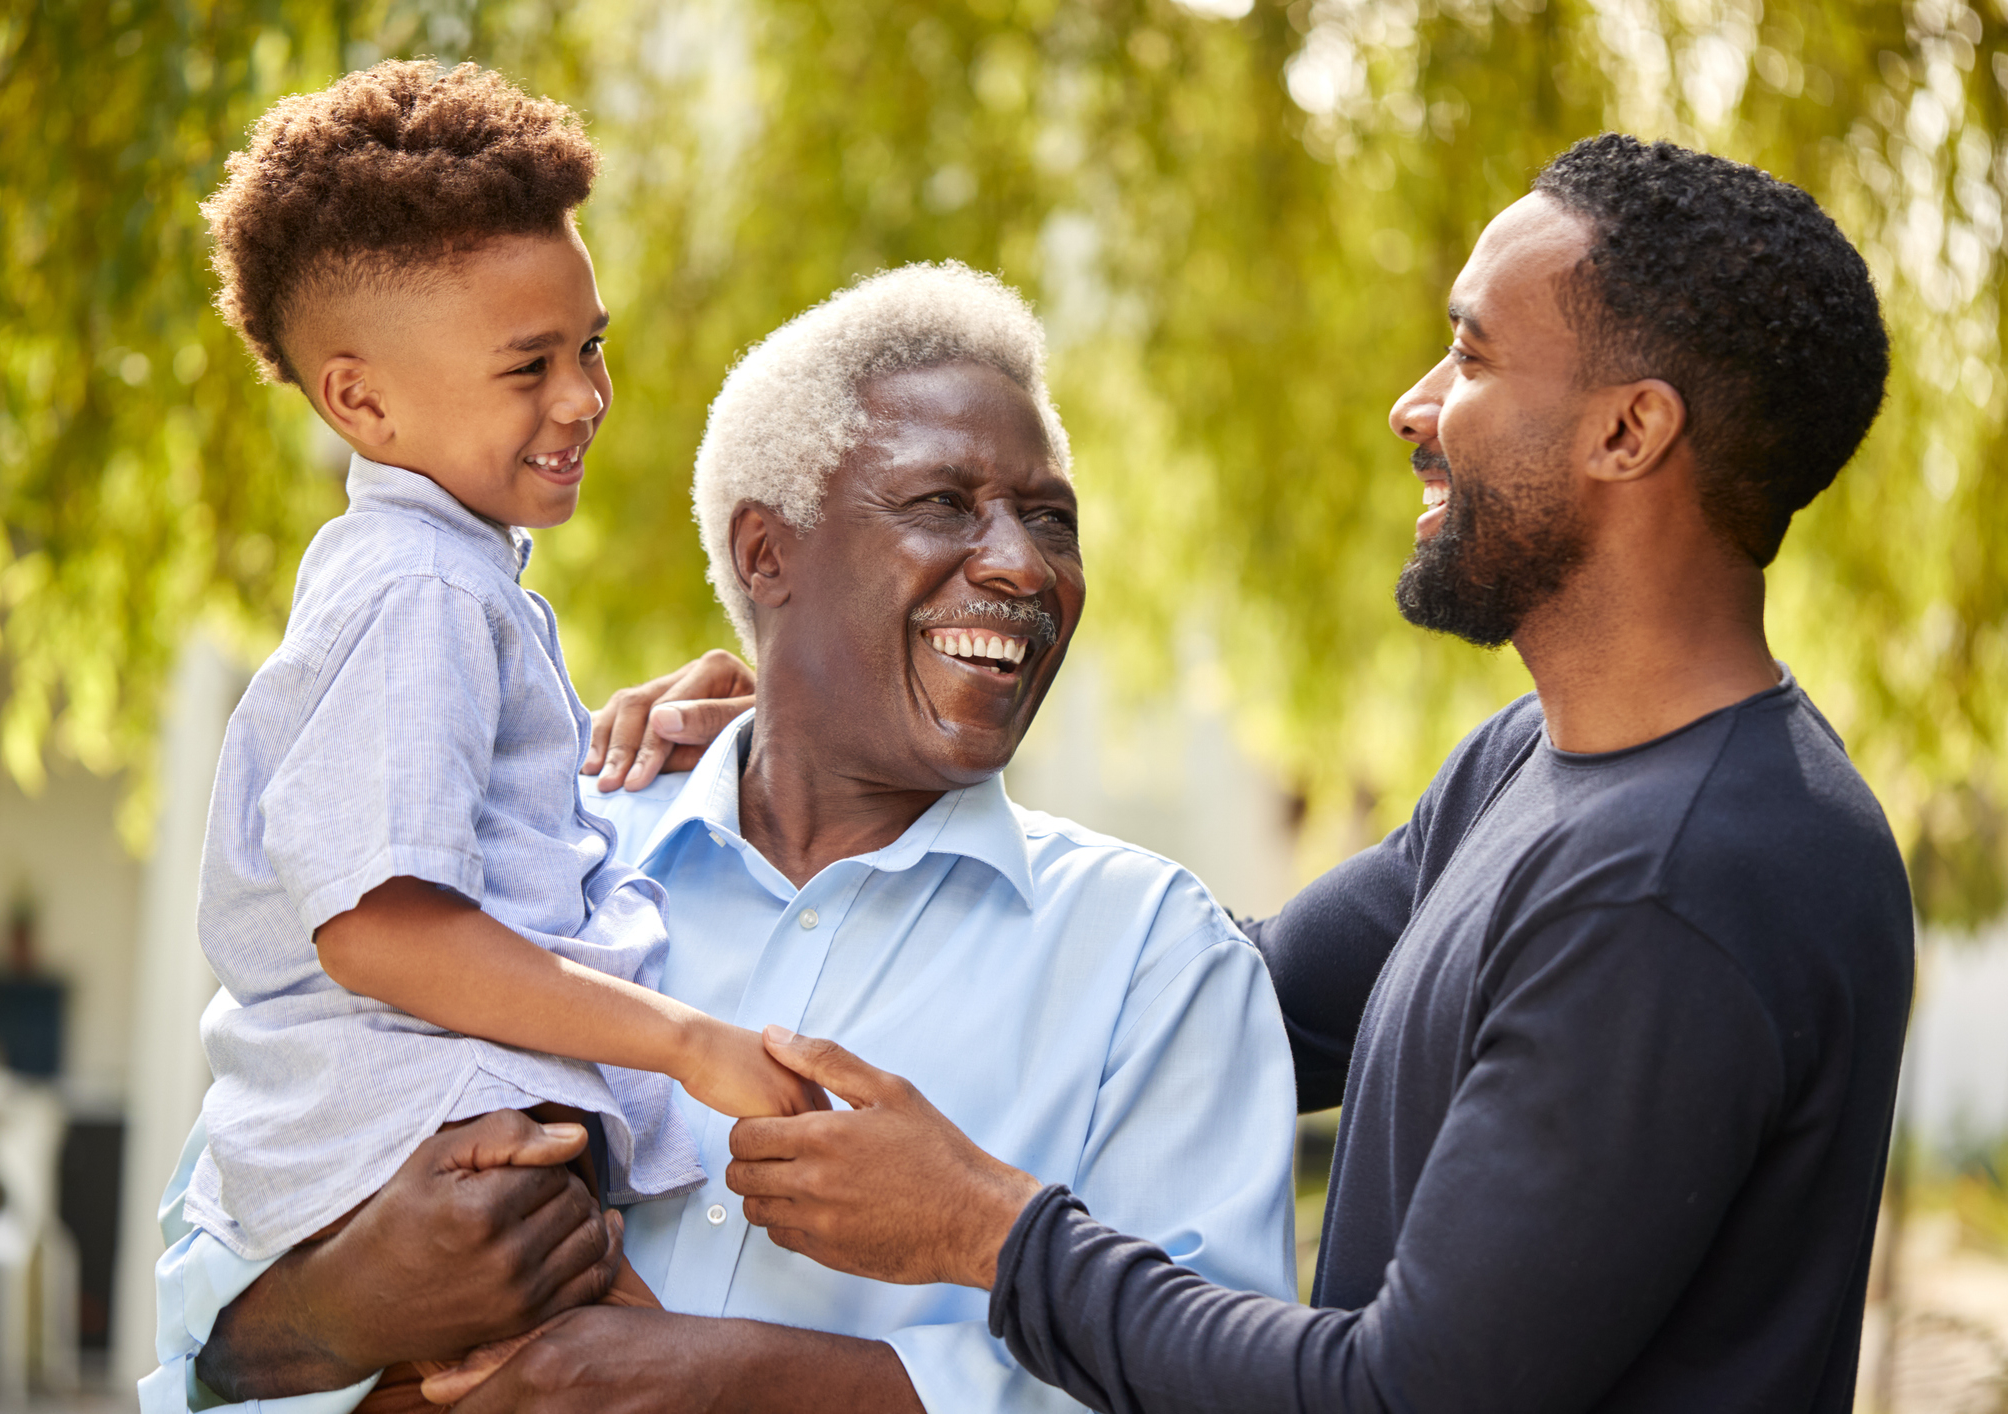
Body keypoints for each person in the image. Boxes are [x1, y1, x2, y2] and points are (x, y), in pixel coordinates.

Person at [707, 135, 1916, 1413]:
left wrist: (997, 1237)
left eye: (1474, 355)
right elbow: (1208, 998)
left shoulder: (1684, 887)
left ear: (1628, 430)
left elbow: (1394, 1395)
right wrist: (801, 720)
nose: (1416, 403)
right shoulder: (1530, 769)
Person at [156, 262, 1299, 1413]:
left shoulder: (1158, 960)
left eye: (1050, 518)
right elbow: (206, 1314)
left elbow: (1221, 1389)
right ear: (766, 554)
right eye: (943, 504)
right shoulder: (528, 865)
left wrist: (761, 1387)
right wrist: (334, 1313)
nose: (1020, 562)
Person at [141, 60, 819, 1413]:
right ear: (362, 402)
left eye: (590, 345)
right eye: (529, 366)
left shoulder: (430, 576)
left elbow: (459, 822)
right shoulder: (423, 590)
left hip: (410, 1108)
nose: (584, 396)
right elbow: (380, 923)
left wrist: (604, 750)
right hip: (420, 1115)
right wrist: (684, 1042)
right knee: (637, 1363)